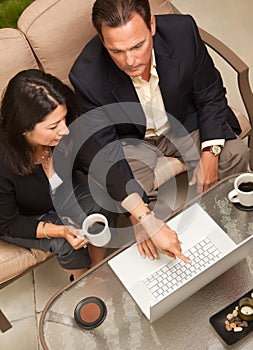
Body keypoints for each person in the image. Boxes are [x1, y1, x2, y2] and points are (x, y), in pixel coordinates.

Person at [69, 0, 249, 261]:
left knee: (236, 154)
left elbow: (210, 94)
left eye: (137, 46)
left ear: (151, 25)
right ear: (102, 39)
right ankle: (175, 250)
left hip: (185, 122)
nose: (130, 61)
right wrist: (141, 216)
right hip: (131, 142)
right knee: (129, 196)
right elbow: (106, 149)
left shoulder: (183, 32)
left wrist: (210, 151)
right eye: (117, 51)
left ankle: (225, 227)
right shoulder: (85, 77)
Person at [0, 69, 118, 280]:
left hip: (62, 192)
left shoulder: (68, 127)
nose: (64, 130)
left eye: (64, 119)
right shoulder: (3, 160)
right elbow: (9, 223)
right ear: (23, 130)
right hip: (20, 217)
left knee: (105, 204)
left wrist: (144, 217)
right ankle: (82, 280)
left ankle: (97, 269)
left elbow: (102, 166)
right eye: (54, 126)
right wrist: (60, 230)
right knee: (64, 243)